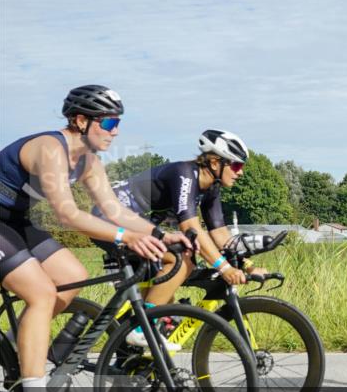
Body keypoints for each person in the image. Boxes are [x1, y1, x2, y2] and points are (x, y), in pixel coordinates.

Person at [0, 85, 191, 392]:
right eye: (108, 123)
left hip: (19, 220)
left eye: (117, 124)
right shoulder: (50, 148)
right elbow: (67, 214)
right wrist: (125, 237)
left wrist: (159, 234)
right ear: (80, 120)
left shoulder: (88, 161)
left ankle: (19, 345)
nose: (114, 132)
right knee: (42, 294)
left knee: (73, 275)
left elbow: (115, 209)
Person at [94, 130, 265, 349]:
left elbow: (221, 236)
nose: (240, 173)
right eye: (236, 165)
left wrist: (247, 266)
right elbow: (190, 227)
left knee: (165, 300)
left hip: (138, 226)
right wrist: (224, 269)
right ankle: (141, 329)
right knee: (180, 260)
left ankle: (130, 354)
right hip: (108, 220)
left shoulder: (211, 188)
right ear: (214, 162)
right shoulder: (184, 173)